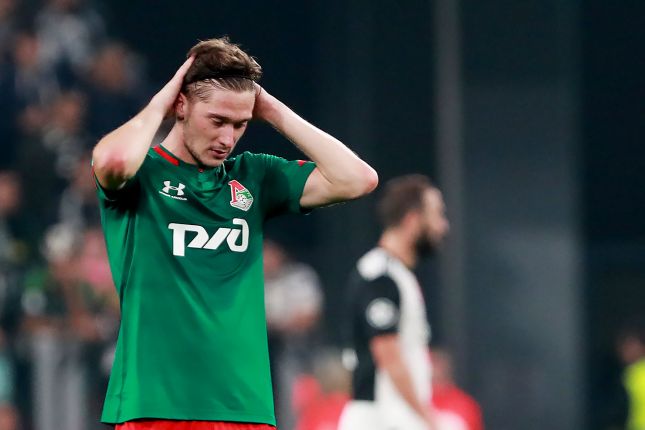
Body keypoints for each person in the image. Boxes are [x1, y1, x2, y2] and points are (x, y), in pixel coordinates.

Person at [91, 36, 378, 430]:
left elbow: (358, 179)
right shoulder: (143, 175)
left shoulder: (253, 176)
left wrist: (274, 111)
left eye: (240, 124)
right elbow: (111, 160)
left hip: (244, 406)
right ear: (181, 105)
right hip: (157, 404)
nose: (227, 139)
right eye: (217, 121)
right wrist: (159, 104)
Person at [338, 174, 449, 430]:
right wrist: (428, 417)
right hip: (380, 417)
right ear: (412, 220)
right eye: (436, 215)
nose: (443, 226)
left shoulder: (397, 274)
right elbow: (387, 352)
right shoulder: (380, 274)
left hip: (394, 416)